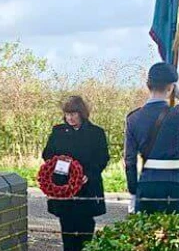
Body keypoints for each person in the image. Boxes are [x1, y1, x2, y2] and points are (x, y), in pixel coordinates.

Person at [124, 62, 179, 214]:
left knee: (146, 235)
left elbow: (129, 161)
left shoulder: (134, 118)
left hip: (148, 184)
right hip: (175, 183)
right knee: (175, 233)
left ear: (148, 85)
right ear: (171, 87)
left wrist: (133, 191)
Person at [42, 96, 110, 251]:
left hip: (86, 189)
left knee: (86, 229)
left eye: (73, 114)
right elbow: (47, 154)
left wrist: (89, 174)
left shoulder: (96, 133)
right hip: (64, 188)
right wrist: (61, 167)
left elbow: (102, 158)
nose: (70, 118)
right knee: (67, 228)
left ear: (81, 113)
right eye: (67, 114)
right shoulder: (58, 131)